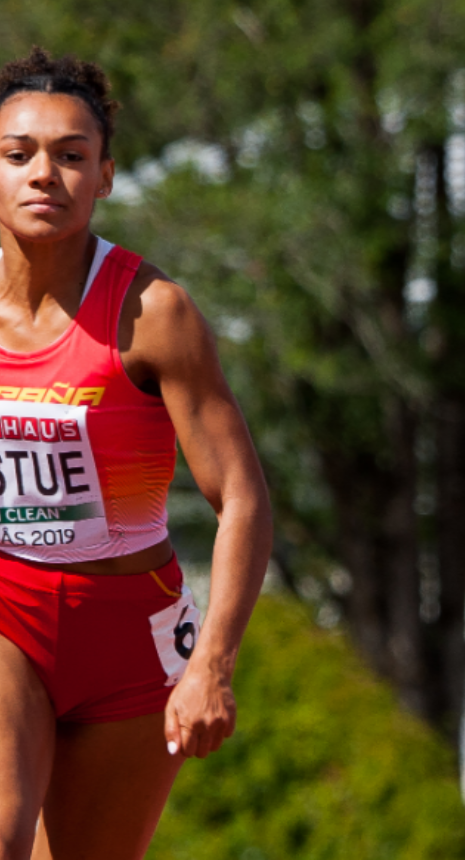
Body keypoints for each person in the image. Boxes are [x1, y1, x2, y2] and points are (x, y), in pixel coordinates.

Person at [0, 48, 271, 859]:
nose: (44, 174)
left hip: (131, 633)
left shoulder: (154, 314)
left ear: (106, 177)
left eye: (71, 155)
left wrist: (212, 664)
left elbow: (243, 501)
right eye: (18, 154)